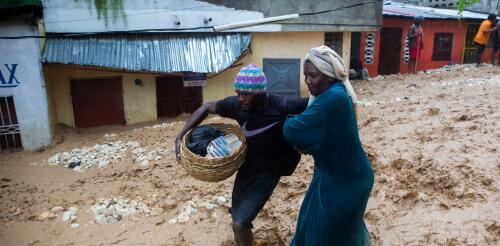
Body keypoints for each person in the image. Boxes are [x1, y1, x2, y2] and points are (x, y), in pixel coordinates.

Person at [175, 64, 308, 246]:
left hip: (269, 172)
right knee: (236, 215)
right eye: (238, 92)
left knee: (240, 222)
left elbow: (318, 104)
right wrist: (181, 135)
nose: (240, 98)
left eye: (245, 94)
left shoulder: (282, 105)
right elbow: (206, 107)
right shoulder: (236, 105)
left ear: (261, 93)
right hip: (247, 167)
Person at [283, 46, 374, 245]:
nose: (307, 81)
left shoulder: (332, 99)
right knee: (314, 225)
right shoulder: (337, 92)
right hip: (335, 175)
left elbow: (293, 130)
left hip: (346, 182)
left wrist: (289, 120)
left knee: (324, 235)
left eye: (313, 76)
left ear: (330, 75)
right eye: (305, 75)